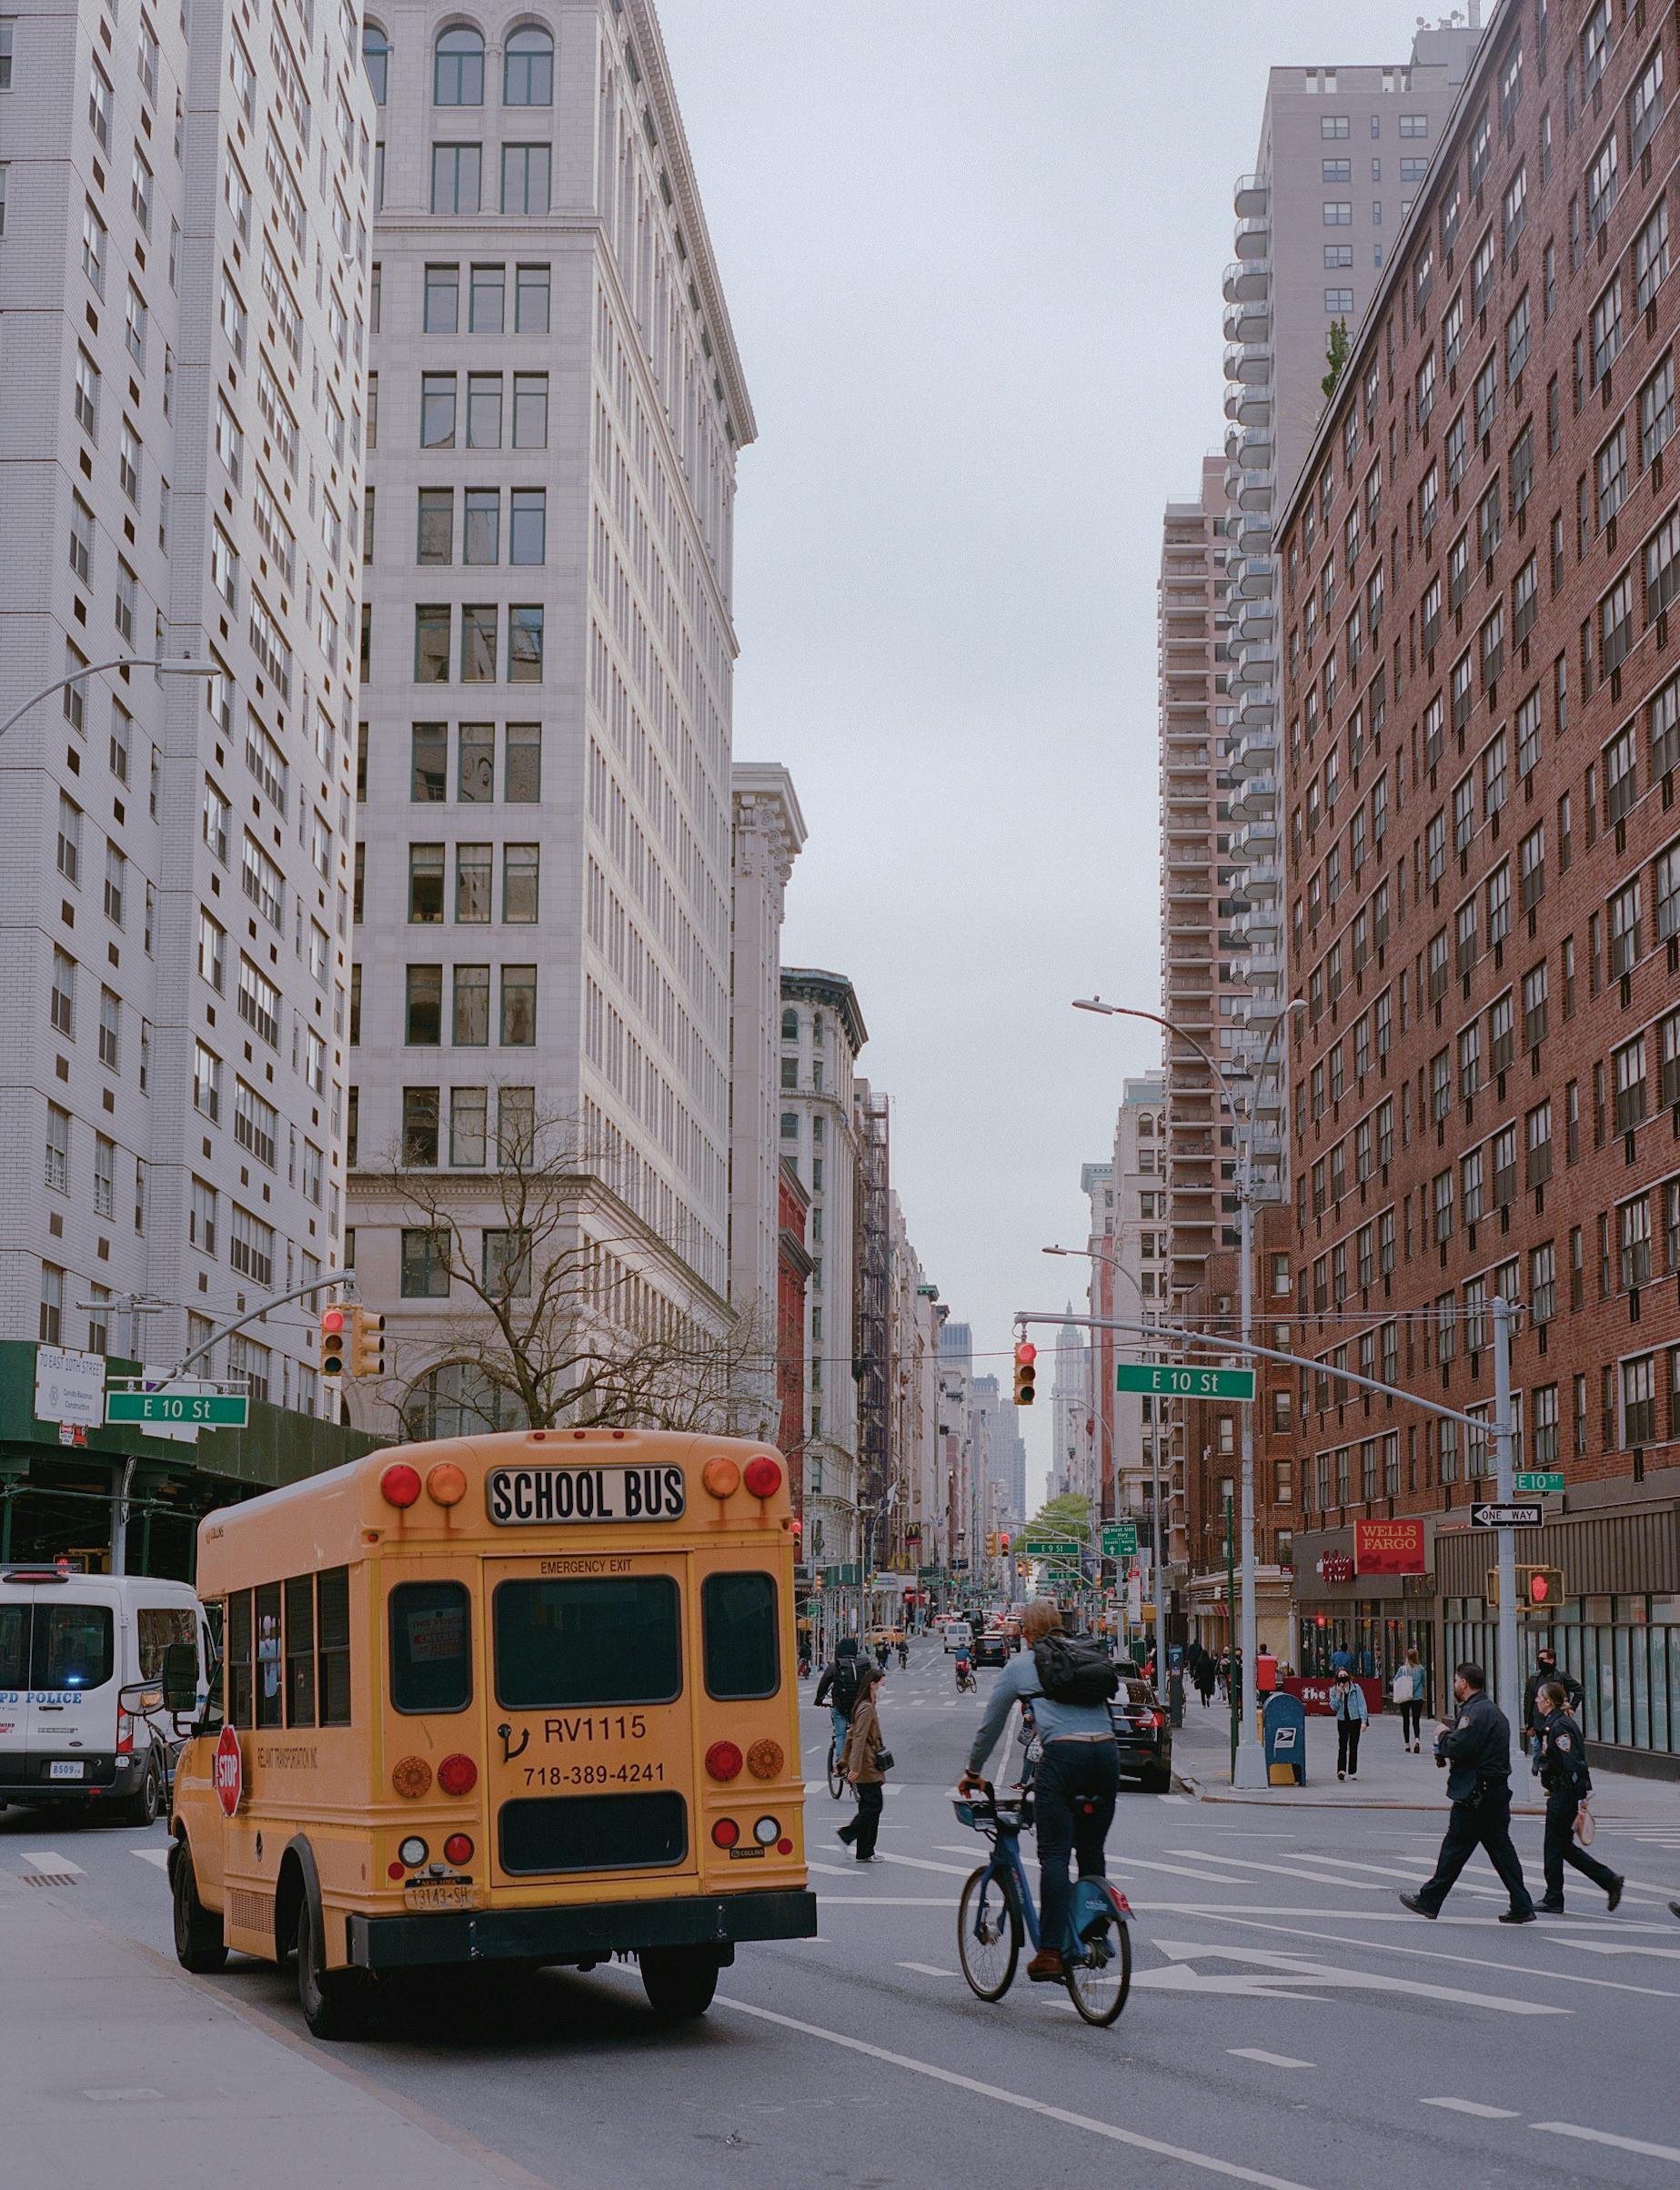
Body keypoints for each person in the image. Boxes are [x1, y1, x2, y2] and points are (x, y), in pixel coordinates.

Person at [959, 1599, 1120, 1983]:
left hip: (1063, 1757)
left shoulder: (1021, 1666)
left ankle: (1050, 1952)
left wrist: (974, 1771)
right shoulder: (1084, 1655)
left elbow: (991, 1726)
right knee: (1091, 1850)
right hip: (1107, 1756)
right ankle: (1094, 1936)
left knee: (1054, 1855)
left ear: (1027, 1634)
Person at [1399, 1661, 1535, 1924]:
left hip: (1476, 1795)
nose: (1454, 1685)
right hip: (1493, 1793)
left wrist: (1443, 1736)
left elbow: (1461, 1746)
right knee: (1501, 1851)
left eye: (1455, 1681)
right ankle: (1521, 1904)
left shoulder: (1474, 1713)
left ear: (1463, 1682)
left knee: (1455, 1849)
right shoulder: (1493, 1711)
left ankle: (1429, 1900)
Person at [1534, 1680, 1624, 1914]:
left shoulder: (1559, 1726)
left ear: (1548, 1702)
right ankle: (1609, 1880)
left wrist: (1576, 1794)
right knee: (1563, 1847)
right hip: (1563, 1793)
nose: (1536, 1701)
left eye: (1540, 1697)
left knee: (1553, 1846)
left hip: (1563, 1795)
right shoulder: (1557, 1723)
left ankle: (1554, 1897)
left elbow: (1571, 1763)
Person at [836, 1660, 887, 1861]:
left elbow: (850, 1735)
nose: (884, 1689)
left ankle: (865, 1851)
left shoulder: (865, 1706)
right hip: (866, 1764)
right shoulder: (867, 1708)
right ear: (872, 1685)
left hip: (865, 1763)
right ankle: (846, 1835)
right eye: (882, 1684)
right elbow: (858, 1738)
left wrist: (843, 1762)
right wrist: (854, 1768)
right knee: (874, 1806)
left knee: (868, 1806)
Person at [814, 1636, 862, 1763]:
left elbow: (823, 1685)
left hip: (840, 1706)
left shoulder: (835, 1666)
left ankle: (841, 1765)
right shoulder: (862, 1665)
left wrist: (819, 1700)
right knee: (860, 1735)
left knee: (840, 1735)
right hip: (859, 1708)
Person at [1523, 1647, 1583, 1746]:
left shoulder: (1561, 1677)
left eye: (1542, 1659)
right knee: (1539, 1751)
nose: (1540, 1662)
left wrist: (1572, 1708)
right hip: (1538, 1725)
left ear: (1551, 1660)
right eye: (1538, 1659)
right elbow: (1528, 1701)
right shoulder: (1534, 1678)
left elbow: (1579, 1690)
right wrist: (1529, 1725)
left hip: (1555, 1723)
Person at [1330, 1666, 1368, 1779]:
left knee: (1353, 1746)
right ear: (1337, 1678)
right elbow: (1334, 1707)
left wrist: (1364, 1721)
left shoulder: (1356, 1688)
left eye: (1344, 1675)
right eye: (1340, 1676)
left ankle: (1352, 1771)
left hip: (1355, 1719)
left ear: (1349, 1676)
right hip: (1342, 1720)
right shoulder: (1334, 1690)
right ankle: (1341, 1770)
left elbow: (1362, 1705)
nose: (1343, 1677)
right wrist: (1338, 1694)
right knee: (1342, 1745)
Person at [1393, 1650, 1426, 1751]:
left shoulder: (1402, 1669)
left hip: (1405, 1697)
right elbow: (1424, 1683)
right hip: (1417, 1698)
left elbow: (1395, 1680)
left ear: (1407, 1657)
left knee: (1405, 1720)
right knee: (1416, 1720)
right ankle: (1417, 1740)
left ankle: (1407, 1744)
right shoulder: (1421, 1669)